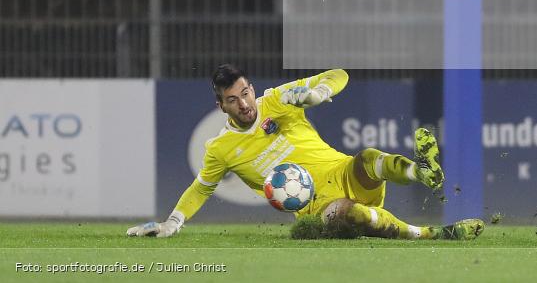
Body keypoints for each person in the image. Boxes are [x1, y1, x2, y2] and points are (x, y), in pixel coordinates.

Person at [126, 64, 484, 240]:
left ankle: (422, 173)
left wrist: (316, 94)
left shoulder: (278, 101)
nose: (244, 103)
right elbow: (201, 187)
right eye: (233, 100)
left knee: (368, 158)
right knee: (345, 214)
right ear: (222, 106)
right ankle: (432, 234)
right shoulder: (221, 149)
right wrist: (172, 221)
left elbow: (339, 74)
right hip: (319, 209)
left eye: (246, 93)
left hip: (346, 174)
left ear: (252, 89)